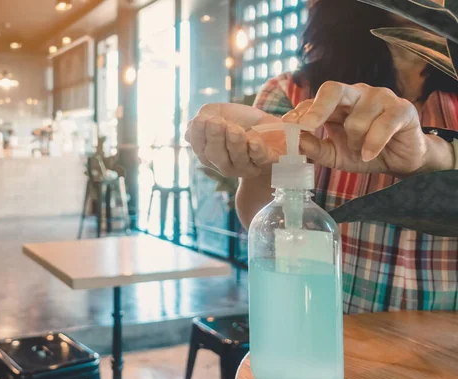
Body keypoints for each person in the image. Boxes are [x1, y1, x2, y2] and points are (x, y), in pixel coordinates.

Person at [186, 0, 458, 313]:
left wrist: (433, 154)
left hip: (444, 346)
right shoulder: (295, 93)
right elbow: (262, 223)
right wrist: (261, 160)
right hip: (326, 326)